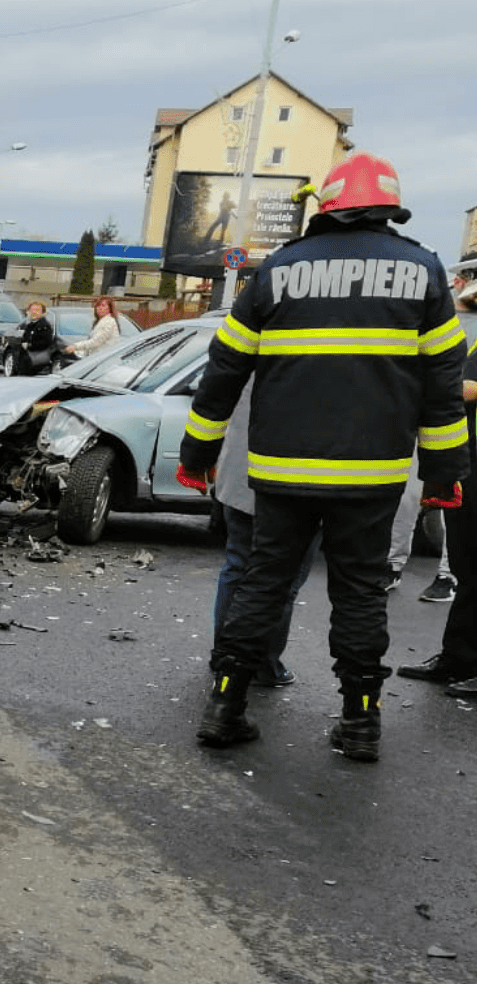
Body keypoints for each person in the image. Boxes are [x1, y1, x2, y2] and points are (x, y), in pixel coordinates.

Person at [177, 152, 469, 761]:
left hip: (281, 470)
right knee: (361, 593)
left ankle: (225, 706)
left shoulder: (280, 269)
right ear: (390, 206)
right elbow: (443, 386)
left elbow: (224, 370)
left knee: (263, 581)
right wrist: (445, 475)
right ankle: (360, 722)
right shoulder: (424, 271)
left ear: (326, 204)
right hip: (372, 476)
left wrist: (196, 452)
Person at [398, 277, 477, 697]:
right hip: (470, 468)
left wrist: (447, 387)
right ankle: (458, 658)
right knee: (469, 571)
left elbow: (466, 388)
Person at [212, 380, 318, 688]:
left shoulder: (252, 333)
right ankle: (262, 663)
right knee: (285, 578)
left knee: (237, 567)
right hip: (295, 479)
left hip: (241, 471)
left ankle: (225, 657)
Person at [10, 300, 57, 375]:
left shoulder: (44, 326)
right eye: (32, 310)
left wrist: (30, 345)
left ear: (43, 312)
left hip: (37, 364)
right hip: (27, 361)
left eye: (37, 310)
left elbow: (46, 342)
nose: (34, 312)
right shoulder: (30, 325)